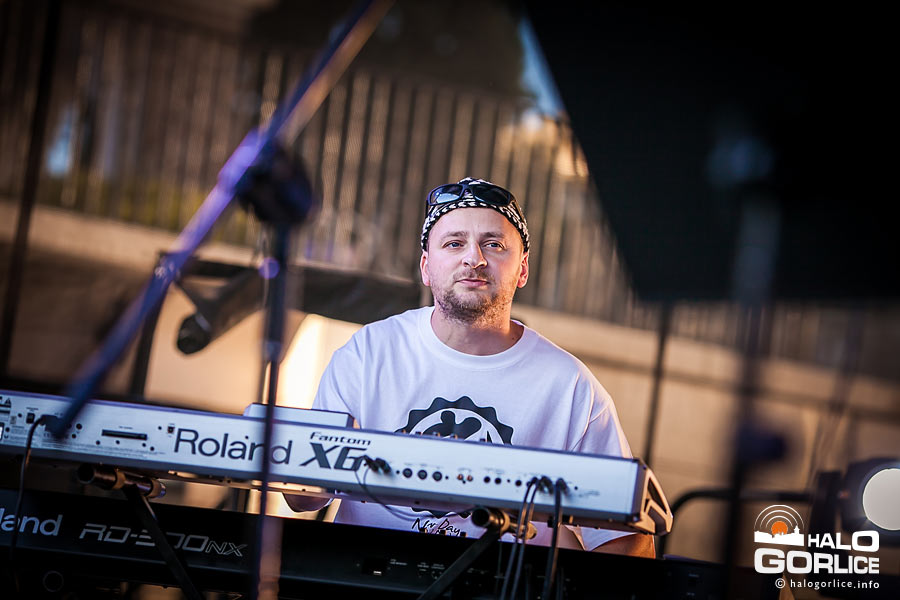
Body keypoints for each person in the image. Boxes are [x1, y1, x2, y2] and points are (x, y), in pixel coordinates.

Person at [286, 177, 654, 557]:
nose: (473, 258)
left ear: (522, 270)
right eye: (454, 243)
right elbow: (302, 499)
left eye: (493, 245)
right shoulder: (368, 353)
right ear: (426, 267)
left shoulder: (570, 387)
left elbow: (633, 541)